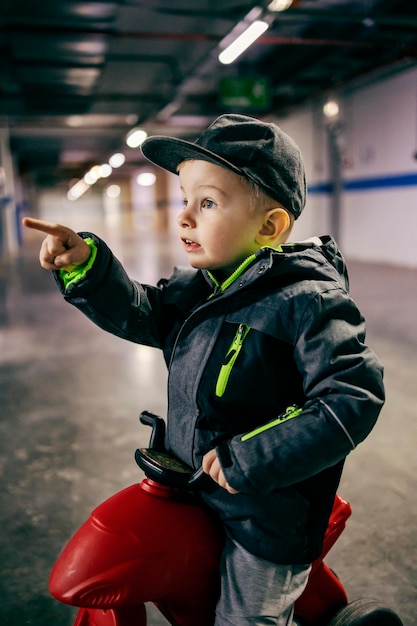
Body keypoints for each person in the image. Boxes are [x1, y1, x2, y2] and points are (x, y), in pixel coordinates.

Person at [23, 113, 385, 626]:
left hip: (266, 512)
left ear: (269, 226)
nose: (184, 217)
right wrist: (88, 265)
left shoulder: (309, 303)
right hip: (194, 486)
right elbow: (143, 313)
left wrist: (250, 456)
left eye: (208, 202)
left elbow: (352, 398)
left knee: (243, 618)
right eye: (184, 199)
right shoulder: (202, 289)